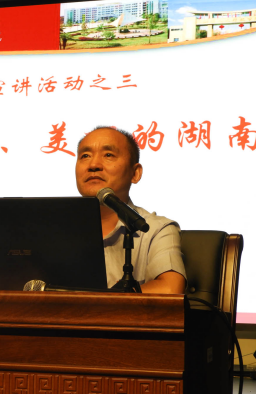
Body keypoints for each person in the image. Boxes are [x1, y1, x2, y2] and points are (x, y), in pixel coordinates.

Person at [75, 126, 186, 294]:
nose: (93, 165)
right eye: (85, 156)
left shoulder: (155, 230)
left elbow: (170, 288)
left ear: (135, 173)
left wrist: (104, 303)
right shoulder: (54, 228)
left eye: (108, 155)